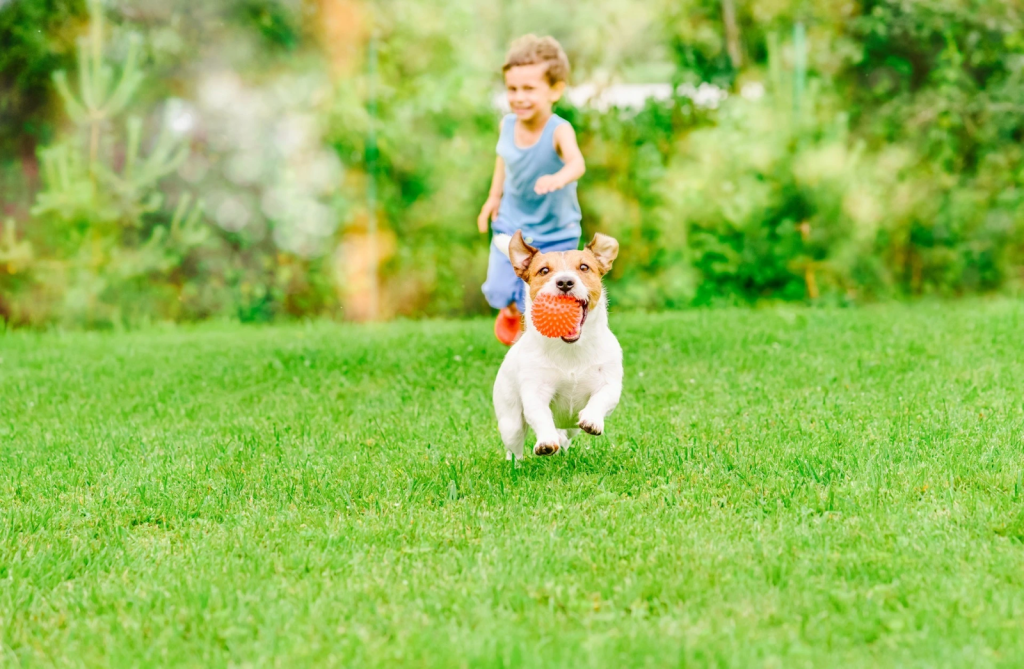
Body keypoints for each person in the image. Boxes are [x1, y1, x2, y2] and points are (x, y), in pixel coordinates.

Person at [478, 34, 586, 345]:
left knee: (548, 298)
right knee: (499, 290)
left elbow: (577, 164)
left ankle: (539, 347)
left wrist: (560, 178)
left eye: (529, 89)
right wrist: (492, 198)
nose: (519, 97)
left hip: (556, 231)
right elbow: (504, 160)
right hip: (513, 226)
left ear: (555, 89)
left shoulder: (559, 129)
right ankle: (510, 310)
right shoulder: (507, 125)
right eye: (512, 89)